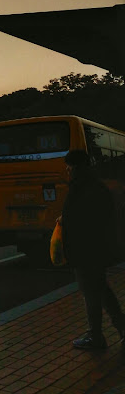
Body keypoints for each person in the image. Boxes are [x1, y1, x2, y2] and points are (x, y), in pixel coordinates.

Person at [60, 149, 124, 349]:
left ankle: (96, 335)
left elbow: (81, 219)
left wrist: (65, 222)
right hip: (97, 248)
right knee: (101, 290)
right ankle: (117, 328)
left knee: (91, 292)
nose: (67, 172)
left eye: (69, 168)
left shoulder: (81, 187)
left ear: (76, 167)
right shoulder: (97, 186)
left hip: (86, 250)